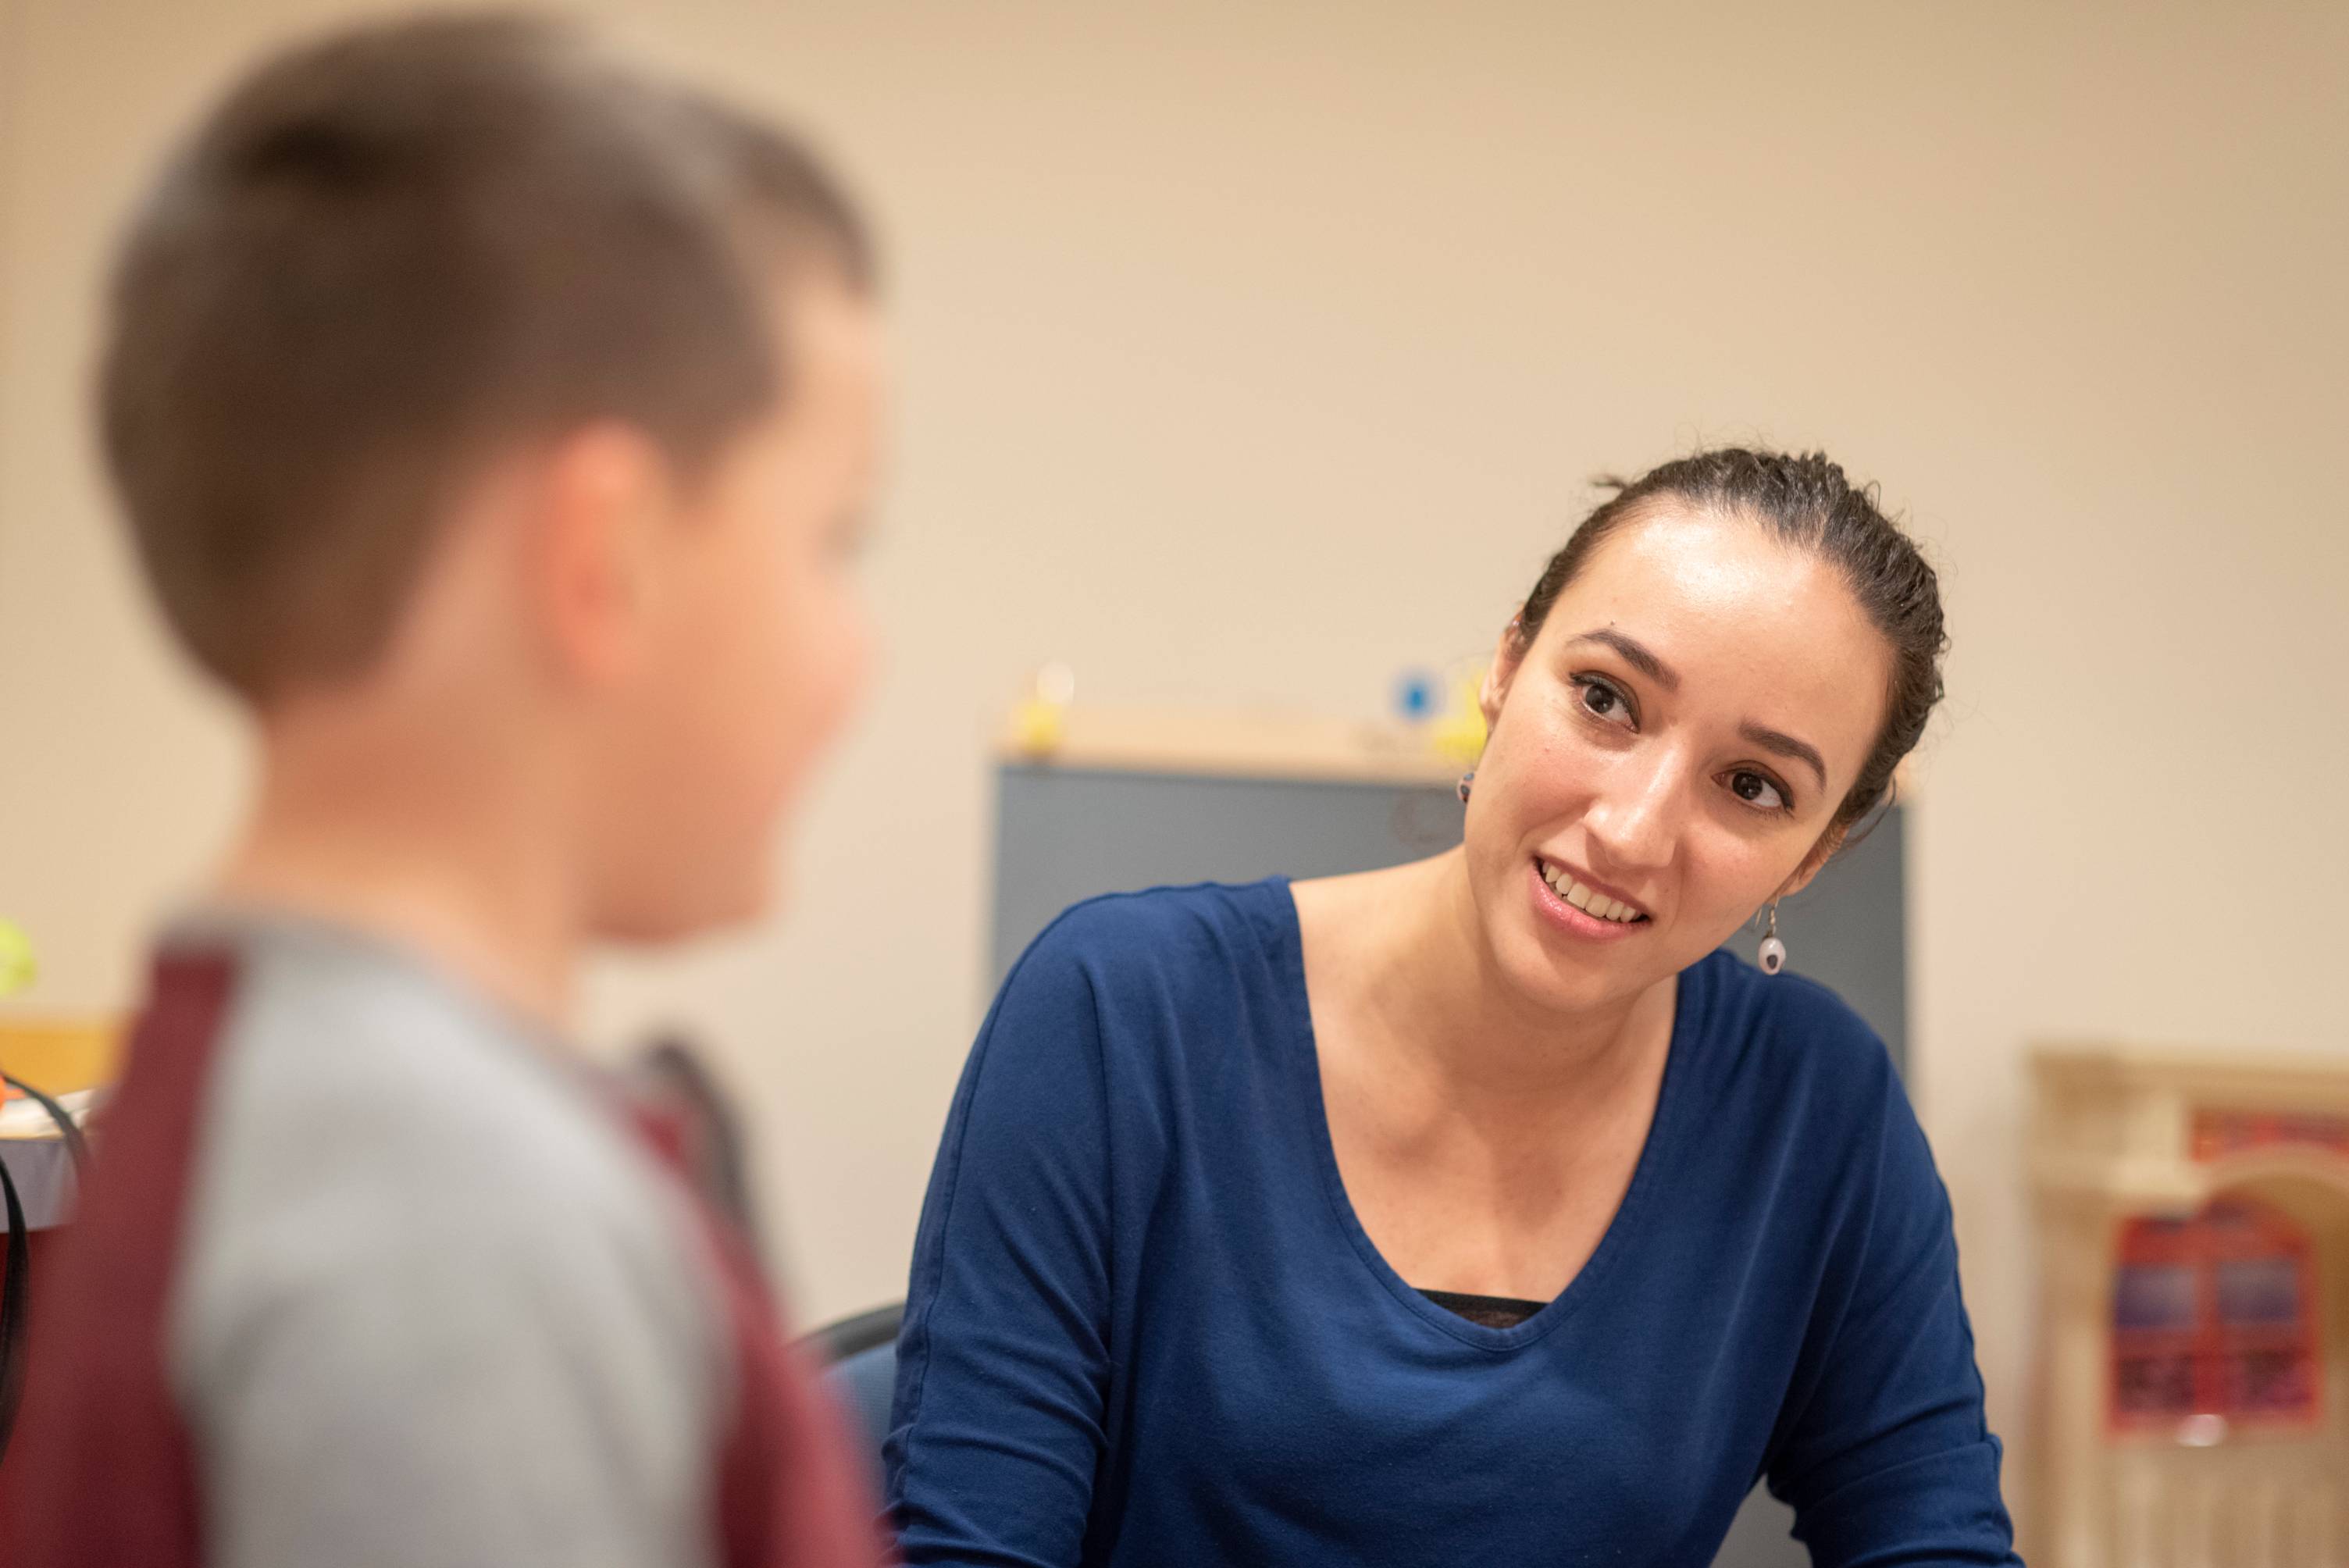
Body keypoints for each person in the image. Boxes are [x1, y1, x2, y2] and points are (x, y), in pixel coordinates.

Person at [3, 15, 888, 1566]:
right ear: (600, 559)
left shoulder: (257, 1092)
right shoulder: (446, 1230)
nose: (854, 651)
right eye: (830, 543)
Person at [886, 448, 2019, 1566]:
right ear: (1507, 663)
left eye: (1752, 786)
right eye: (1605, 699)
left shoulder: (1816, 1112)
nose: (1630, 831)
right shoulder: (1122, 1013)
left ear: (1810, 858)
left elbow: (1933, 1540)